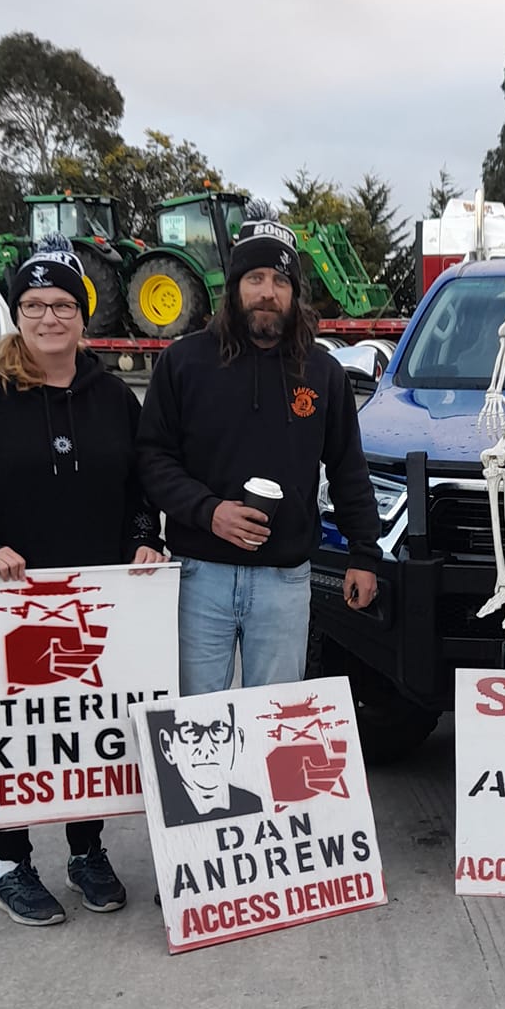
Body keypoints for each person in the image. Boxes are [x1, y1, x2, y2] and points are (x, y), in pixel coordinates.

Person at [0, 235, 165, 927]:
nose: (49, 318)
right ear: (17, 312)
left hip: (93, 596)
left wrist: (145, 540)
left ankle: (86, 851)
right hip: (7, 599)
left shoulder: (112, 396)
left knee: (80, 727)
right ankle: (12, 865)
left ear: (83, 316)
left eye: (61, 305)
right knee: (16, 733)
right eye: (33, 304)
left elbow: (142, 485)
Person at [136, 213, 382, 696]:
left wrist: (365, 554)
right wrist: (209, 513)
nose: (267, 291)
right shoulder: (183, 363)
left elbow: (348, 467)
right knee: (197, 713)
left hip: (284, 580)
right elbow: (153, 458)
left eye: (279, 280)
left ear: (294, 294)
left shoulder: (323, 373)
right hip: (198, 573)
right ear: (234, 288)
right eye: (255, 278)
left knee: (276, 718)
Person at [149, 702, 264, 826]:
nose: (207, 747)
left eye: (219, 731)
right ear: (168, 746)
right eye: (191, 732)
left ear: (237, 741)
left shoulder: (253, 803)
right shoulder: (162, 810)